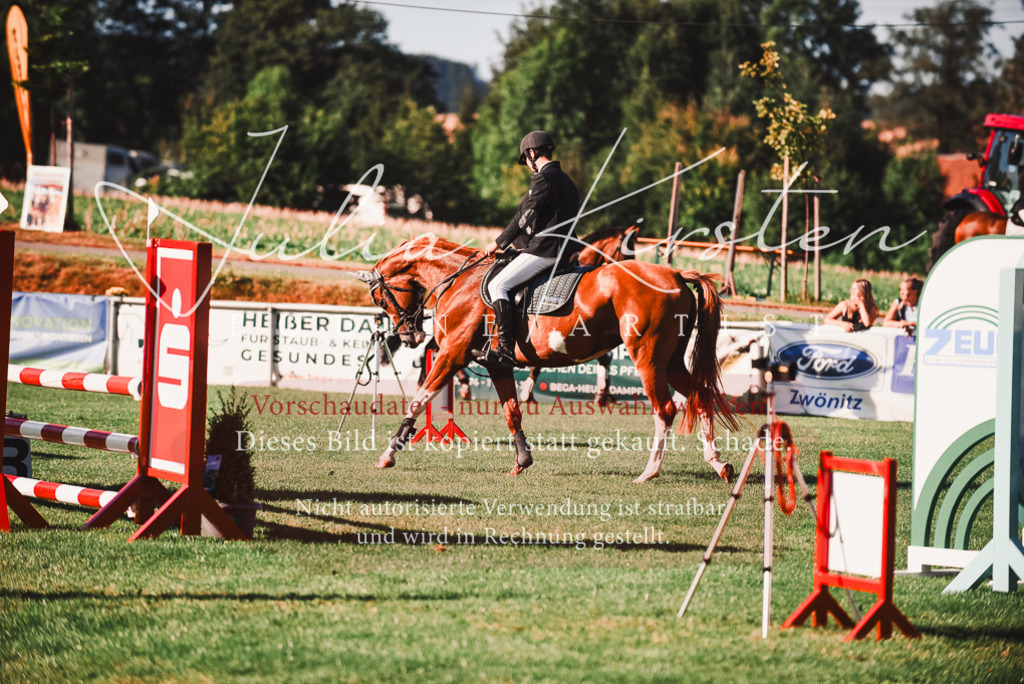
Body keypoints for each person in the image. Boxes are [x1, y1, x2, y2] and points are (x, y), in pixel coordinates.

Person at [473, 131, 581, 367]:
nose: (529, 167)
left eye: (527, 161)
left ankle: (504, 350)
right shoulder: (568, 182)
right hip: (568, 252)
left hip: (545, 249)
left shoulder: (543, 178)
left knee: (497, 284)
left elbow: (524, 218)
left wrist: (498, 242)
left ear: (532, 153)